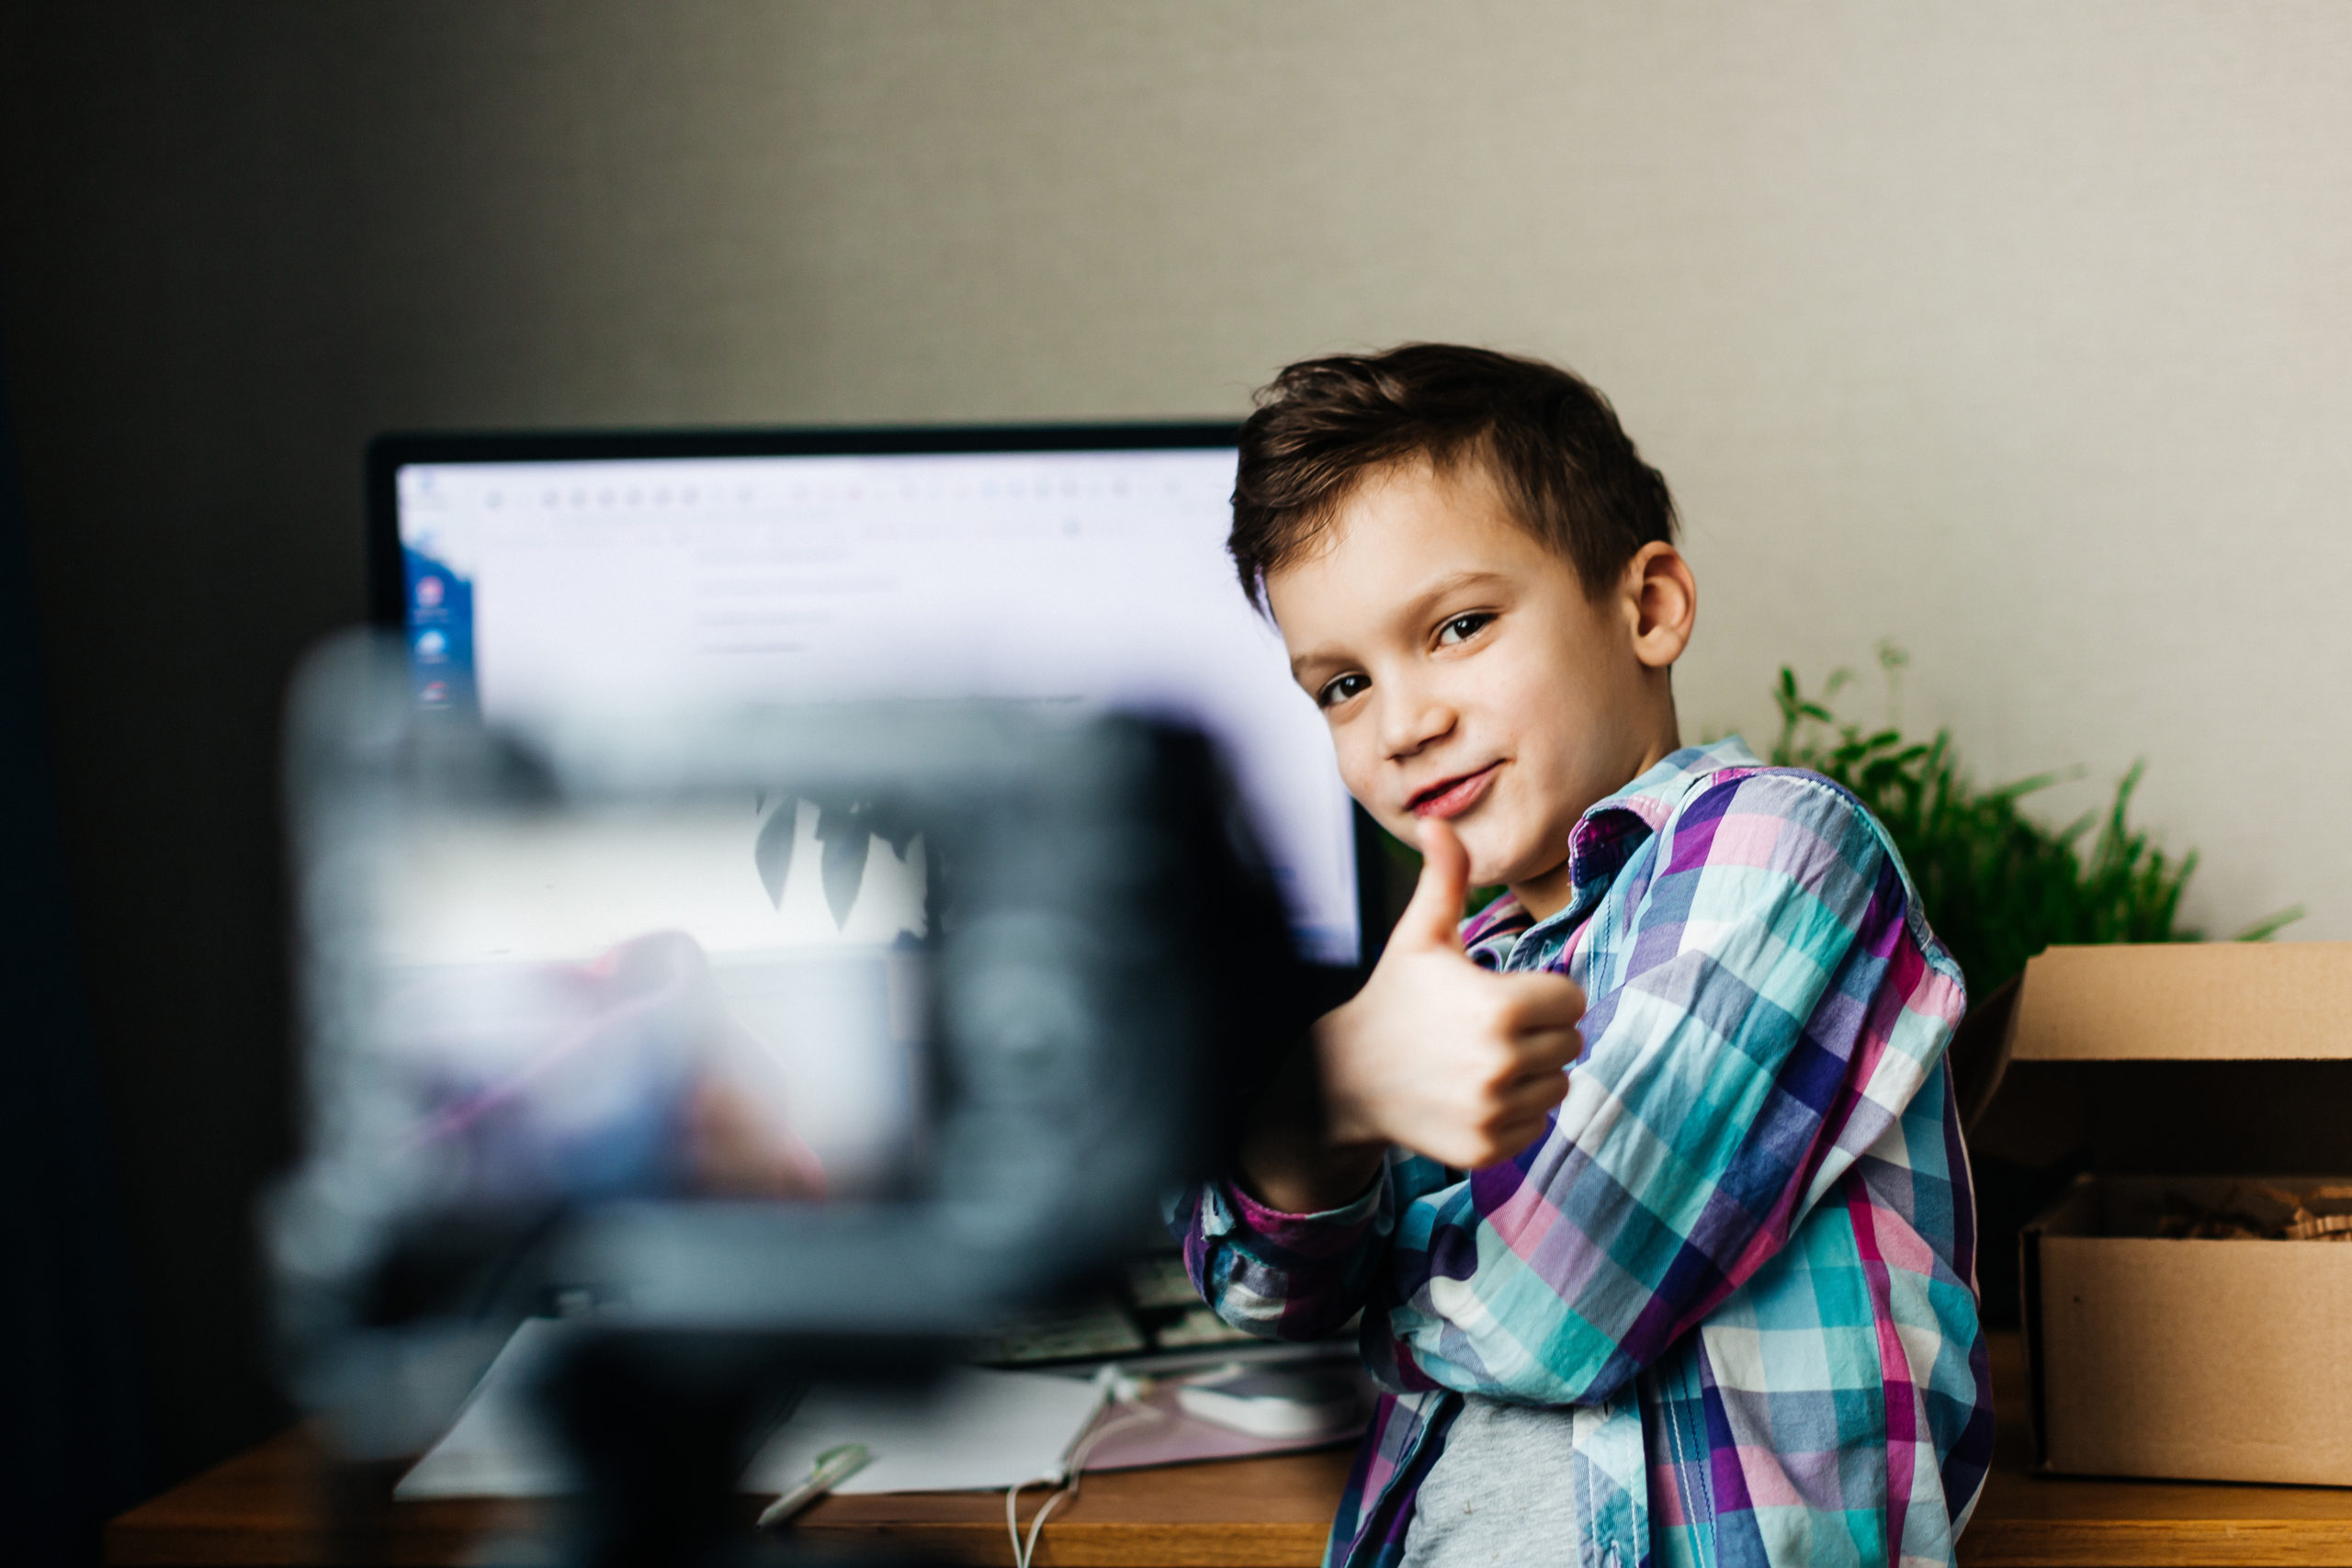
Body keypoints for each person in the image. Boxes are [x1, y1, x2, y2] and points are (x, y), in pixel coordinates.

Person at [1174, 344, 1993, 1568]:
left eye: (1459, 626)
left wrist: (1362, 1242)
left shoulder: (1779, 850)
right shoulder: (1448, 972)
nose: (1403, 723)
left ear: (1647, 607)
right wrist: (1329, 1094)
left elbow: (1557, 1307)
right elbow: (1264, 1294)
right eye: (1341, 685)